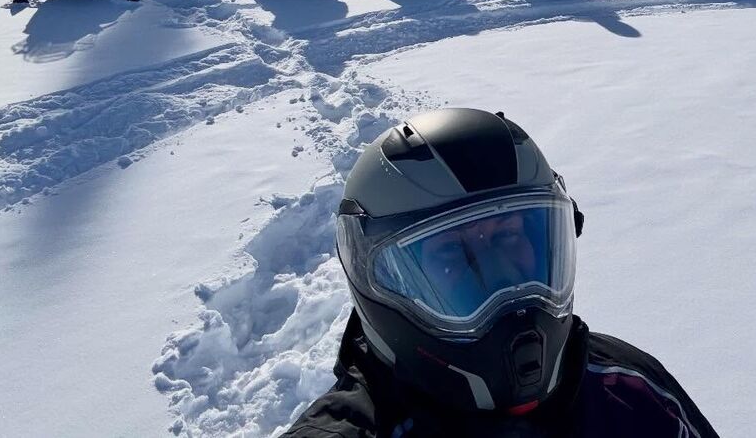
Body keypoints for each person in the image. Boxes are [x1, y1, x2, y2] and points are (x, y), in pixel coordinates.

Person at [280, 108, 719, 438]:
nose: (503, 281)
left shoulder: (631, 392)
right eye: (454, 254)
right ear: (384, 286)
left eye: (512, 238)